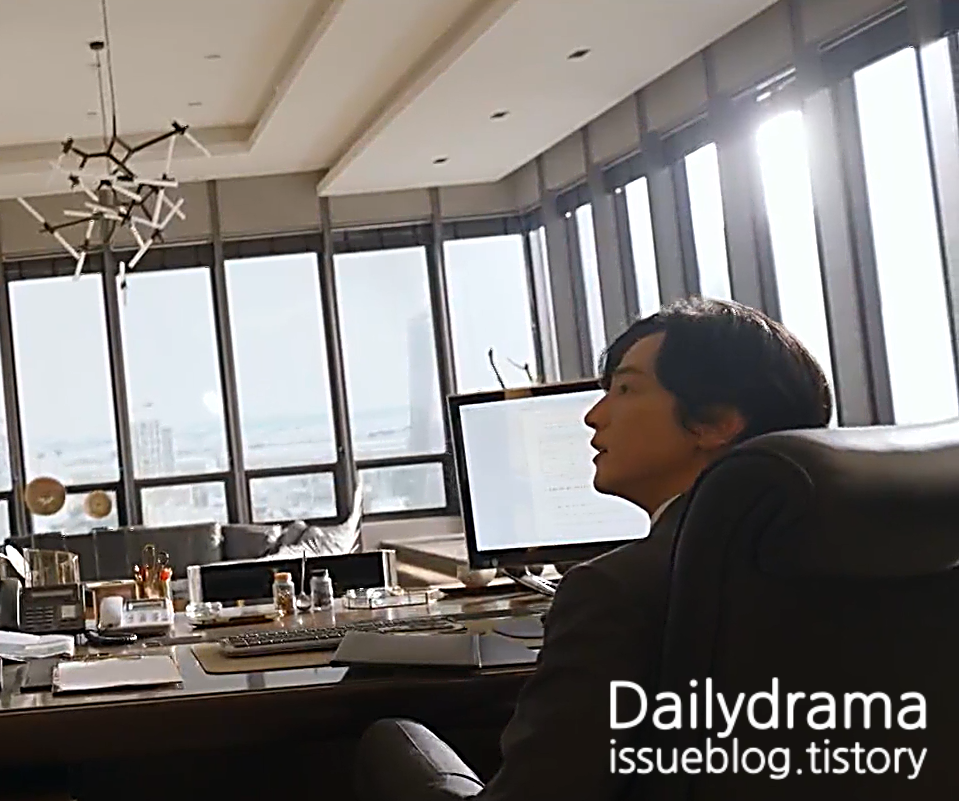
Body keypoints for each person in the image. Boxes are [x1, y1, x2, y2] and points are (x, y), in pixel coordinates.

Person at [354, 297, 832, 801]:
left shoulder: (613, 590)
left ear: (715, 421)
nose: (592, 415)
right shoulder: (850, 560)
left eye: (625, 389)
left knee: (393, 740)